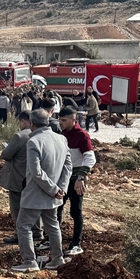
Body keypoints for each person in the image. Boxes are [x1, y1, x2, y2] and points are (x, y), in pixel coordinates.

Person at [11, 109, 71, 273]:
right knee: (52, 227)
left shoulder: (34, 141)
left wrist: (52, 189)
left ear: (31, 123)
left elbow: (36, 172)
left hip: (36, 195)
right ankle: (58, 259)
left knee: (23, 226)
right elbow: (68, 167)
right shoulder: (61, 139)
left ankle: (29, 261)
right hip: (55, 195)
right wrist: (61, 188)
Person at [0, 111, 43, 246]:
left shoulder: (20, 136)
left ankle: (19, 234)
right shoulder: (40, 136)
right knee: (34, 206)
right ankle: (37, 232)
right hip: (34, 178)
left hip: (17, 178)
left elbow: (6, 154)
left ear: (24, 121)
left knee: (17, 208)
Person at [57, 106, 95, 256]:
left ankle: (76, 244)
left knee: (75, 211)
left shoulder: (82, 135)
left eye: (64, 120)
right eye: (59, 120)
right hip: (63, 177)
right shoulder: (61, 134)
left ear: (73, 120)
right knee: (57, 208)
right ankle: (52, 239)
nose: (60, 123)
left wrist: (81, 177)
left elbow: (90, 158)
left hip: (76, 177)